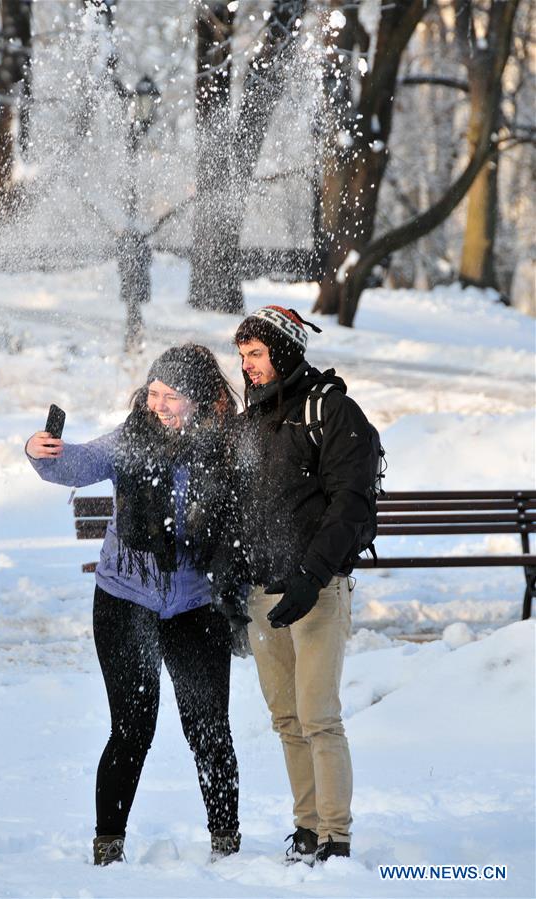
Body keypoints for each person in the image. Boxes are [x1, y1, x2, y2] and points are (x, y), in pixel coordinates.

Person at [25, 344, 242, 866]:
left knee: (209, 728)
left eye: (172, 396)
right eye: (154, 393)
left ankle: (227, 845)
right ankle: (108, 848)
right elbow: (76, 463)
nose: (159, 405)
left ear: (201, 399)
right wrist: (39, 450)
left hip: (197, 604)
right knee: (132, 729)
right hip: (125, 600)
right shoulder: (131, 440)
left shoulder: (227, 448)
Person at [228, 305, 375, 865]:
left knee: (319, 718)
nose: (248, 365)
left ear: (285, 351)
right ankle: (307, 828)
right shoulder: (250, 422)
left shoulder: (331, 410)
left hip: (317, 589)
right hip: (263, 591)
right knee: (287, 720)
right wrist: (229, 577)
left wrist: (311, 577)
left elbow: (350, 503)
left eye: (257, 353)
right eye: (243, 355)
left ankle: (335, 836)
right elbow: (236, 508)